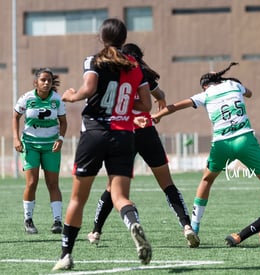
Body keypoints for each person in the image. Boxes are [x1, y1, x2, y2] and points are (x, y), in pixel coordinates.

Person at [151, 62, 260, 244]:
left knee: (206, 181)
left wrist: (157, 116)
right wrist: (233, 85)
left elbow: (176, 106)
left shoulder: (205, 94)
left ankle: (194, 227)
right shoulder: (234, 85)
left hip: (221, 144)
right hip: (245, 141)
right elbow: (250, 93)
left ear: (205, 86)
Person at [52, 18, 152, 271]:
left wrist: (70, 96)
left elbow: (88, 89)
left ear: (101, 37)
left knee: (78, 199)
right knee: (120, 196)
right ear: (124, 37)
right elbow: (146, 105)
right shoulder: (135, 66)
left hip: (95, 133)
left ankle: (66, 255)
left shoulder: (94, 60)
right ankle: (133, 225)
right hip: (123, 135)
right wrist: (124, 100)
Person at [87, 43, 200, 248]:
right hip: (147, 132)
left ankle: (95, 231)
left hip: (124, 133)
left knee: (113, 188)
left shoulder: (116, 74)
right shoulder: (143, 74)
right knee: (167, 184)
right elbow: (160, 95)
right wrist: (161, 105)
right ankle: (187, 226)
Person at [12, 68, 67, 235]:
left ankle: (57, 221)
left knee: (53, 183)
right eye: (43, 80)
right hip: (30, 145)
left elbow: (63, 122)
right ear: (35, 82)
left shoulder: (57, 100)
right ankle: (28, 219)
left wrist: (60, 139)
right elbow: (15, 116)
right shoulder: (26, 98)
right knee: (31, 182)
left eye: (49, 80)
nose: (46, 83)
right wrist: (16, 138)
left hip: (51, 146)